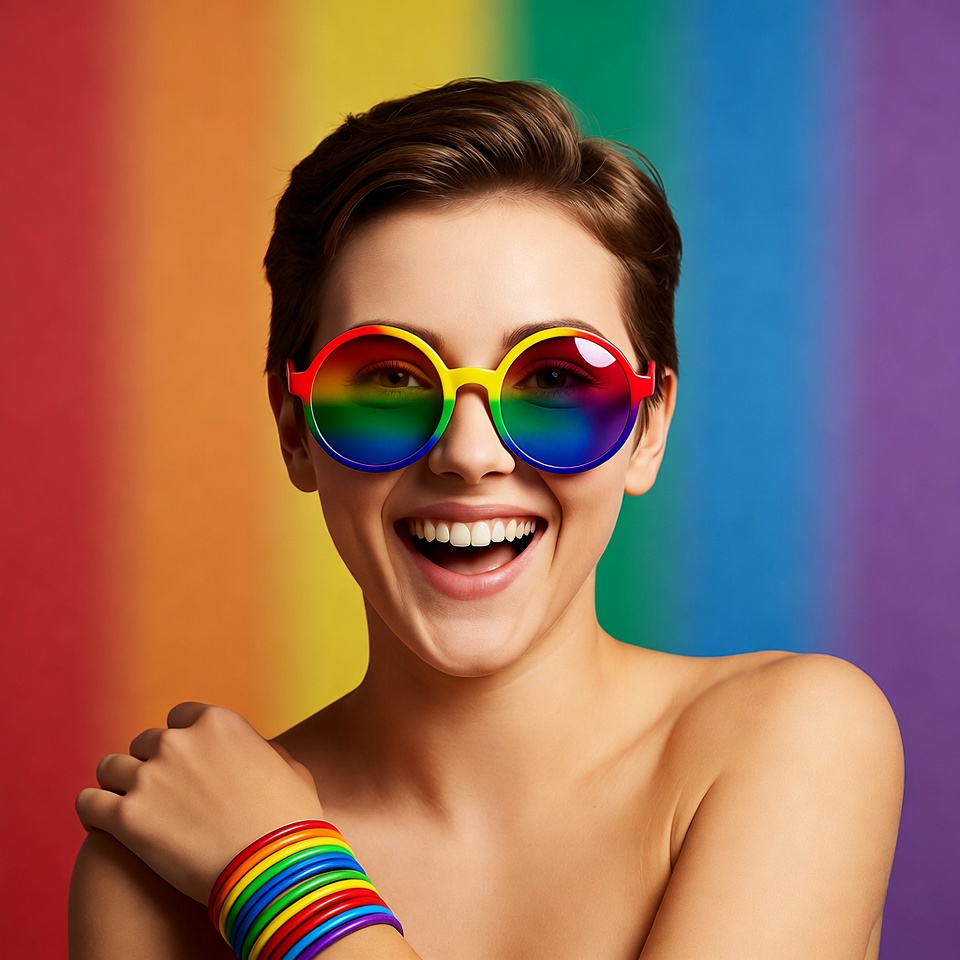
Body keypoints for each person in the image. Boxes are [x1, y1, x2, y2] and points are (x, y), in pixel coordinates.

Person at [70, 79, 903, 959]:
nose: (470, 453)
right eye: (390, 378)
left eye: (552, 378)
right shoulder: (158, 869)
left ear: (648, 428)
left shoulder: (793, 739)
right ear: (296, 431)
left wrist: (280, 877)